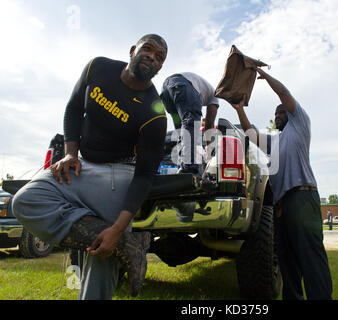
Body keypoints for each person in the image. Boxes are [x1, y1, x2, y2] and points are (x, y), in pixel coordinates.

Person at [12, 34, 168, 299]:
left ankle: (116, 239)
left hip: (119, 174)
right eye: (148, 49)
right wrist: (70, 154)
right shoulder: (98, 67)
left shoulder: (154, 113)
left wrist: (116, 228)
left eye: (159, 57)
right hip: (81, 165)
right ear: (133, 50)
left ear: (160, 68)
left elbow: (144, 176)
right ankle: (127, 245)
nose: (152, 57)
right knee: (25, 201)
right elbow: (73, 109)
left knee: (104, 251)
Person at [229, 67, 332, 300]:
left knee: (310, 256)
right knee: (286, 260)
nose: (277, 116)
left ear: (291, 113)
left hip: (302, 199)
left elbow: (284, 93)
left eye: (281, 112)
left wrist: (266, 78)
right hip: (281, 206)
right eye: (275, 114)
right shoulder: (274, 142)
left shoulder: (300, 125)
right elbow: (250, 133)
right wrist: (239, 110)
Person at [160, 72, 219, 175]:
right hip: (183, 84)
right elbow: (209, 125)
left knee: (181, 131)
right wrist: (209, 149)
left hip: (166, 90)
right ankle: (189, 167)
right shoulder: (215, 96)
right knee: (191, 122)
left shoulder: (206, 89)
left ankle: (181, 166)